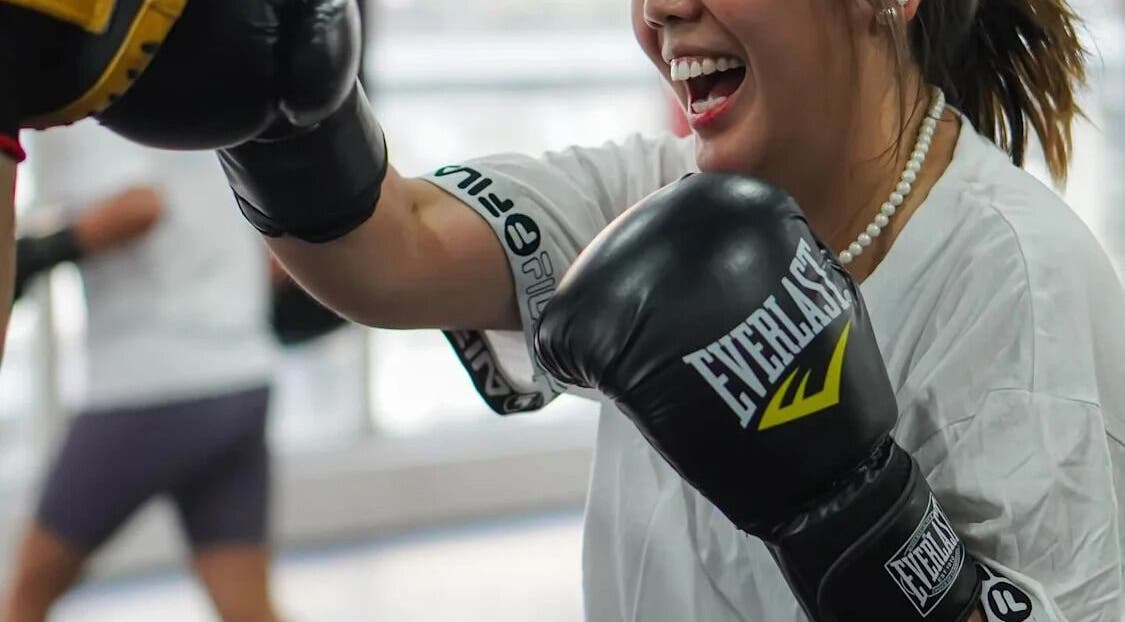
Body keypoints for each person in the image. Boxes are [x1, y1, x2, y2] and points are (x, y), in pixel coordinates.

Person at [7, 0, 1124, 620]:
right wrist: (284, 115)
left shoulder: (1013, 278)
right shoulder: (649, 194)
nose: (659, 12)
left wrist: (865, 522)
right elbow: (386, 250)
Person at [0, 122, 281, 622]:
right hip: (240, 374)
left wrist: (32, 256)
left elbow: (140, 206)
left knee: (26, 595)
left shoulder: (91, 103)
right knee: (247, 609)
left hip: (151, 384)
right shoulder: (191, 89)